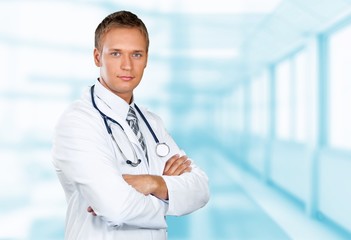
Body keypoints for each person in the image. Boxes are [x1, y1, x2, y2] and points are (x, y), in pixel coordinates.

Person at [52, 10, 210, 240]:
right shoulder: (78, 122)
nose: (127, 65)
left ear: (146, 59)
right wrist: (170, 195)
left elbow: (201, 189)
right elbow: (117, 208)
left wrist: (152, 182)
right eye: (116, 53)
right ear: (98, 57)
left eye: (136, 54)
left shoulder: (151, 122)